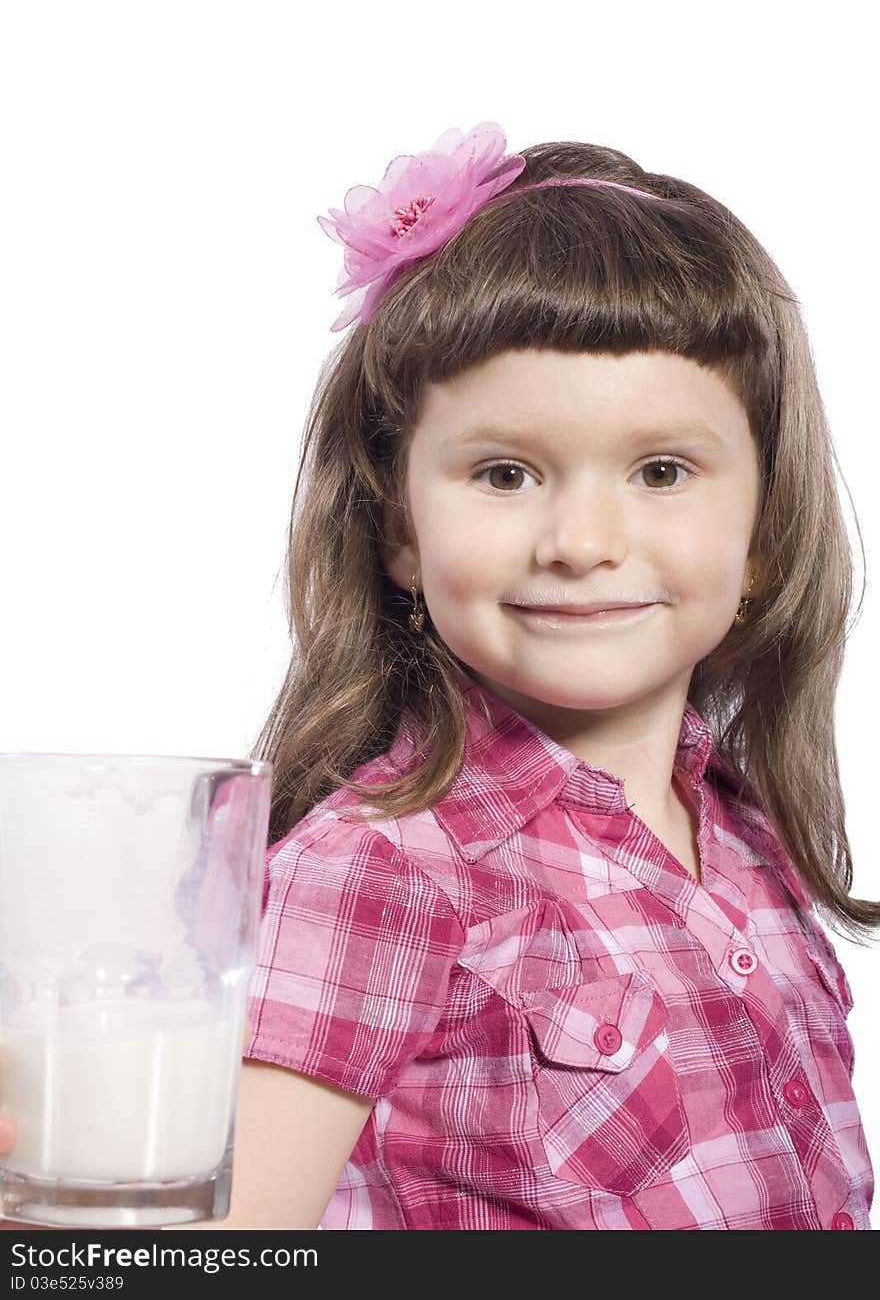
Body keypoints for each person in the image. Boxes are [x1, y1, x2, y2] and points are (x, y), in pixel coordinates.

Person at [2, 122, 877, 1231]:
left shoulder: (750, 839)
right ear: (398, 529)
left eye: (662, 470)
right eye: (504, 473)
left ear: (762, 529)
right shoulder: (378, 872)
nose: (582, 540)